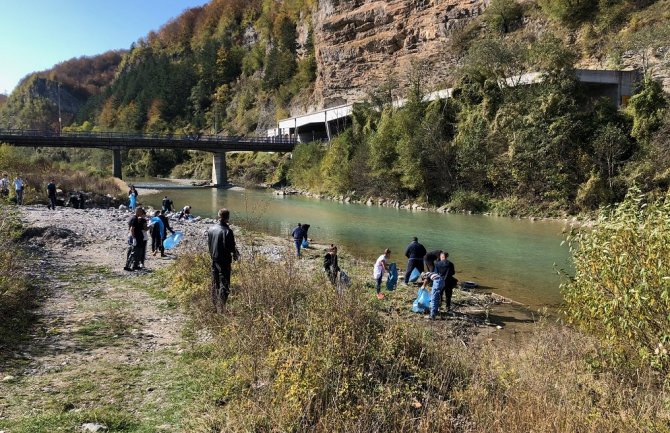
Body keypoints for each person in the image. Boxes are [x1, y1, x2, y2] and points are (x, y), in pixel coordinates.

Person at [207, 208, 240, 313]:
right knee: (224, 284)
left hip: (214, 259)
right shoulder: (227, 231)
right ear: (227, 218)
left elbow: (209, 244)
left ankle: (214, 305)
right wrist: (236, 255)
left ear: (218, 216)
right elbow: (231, 247)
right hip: (224, 261)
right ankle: (221, 308)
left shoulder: (211, 229)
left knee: (215, 282)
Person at [125, 206, 147, 271]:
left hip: (138, 237)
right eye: (140, 211)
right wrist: (134, 238)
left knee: (138, 252)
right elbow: (132, 229)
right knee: (134, 252)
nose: (141, 213)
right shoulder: (134, 219)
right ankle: (128, 266)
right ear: (137, 211)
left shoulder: (135, 218)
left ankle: (135, 265)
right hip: (136, 237)